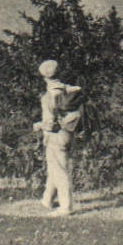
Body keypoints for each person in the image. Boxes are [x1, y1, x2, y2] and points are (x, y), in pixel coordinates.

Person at [32, 58, 82, 216]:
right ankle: (47, 200)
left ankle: (65, 207)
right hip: (68, 132)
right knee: (56, 167)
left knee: (59, 170)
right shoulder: (67, 89)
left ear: (45, 77)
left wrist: (38, 125)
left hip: (55, 135)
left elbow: (50, 122)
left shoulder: (49, 95)